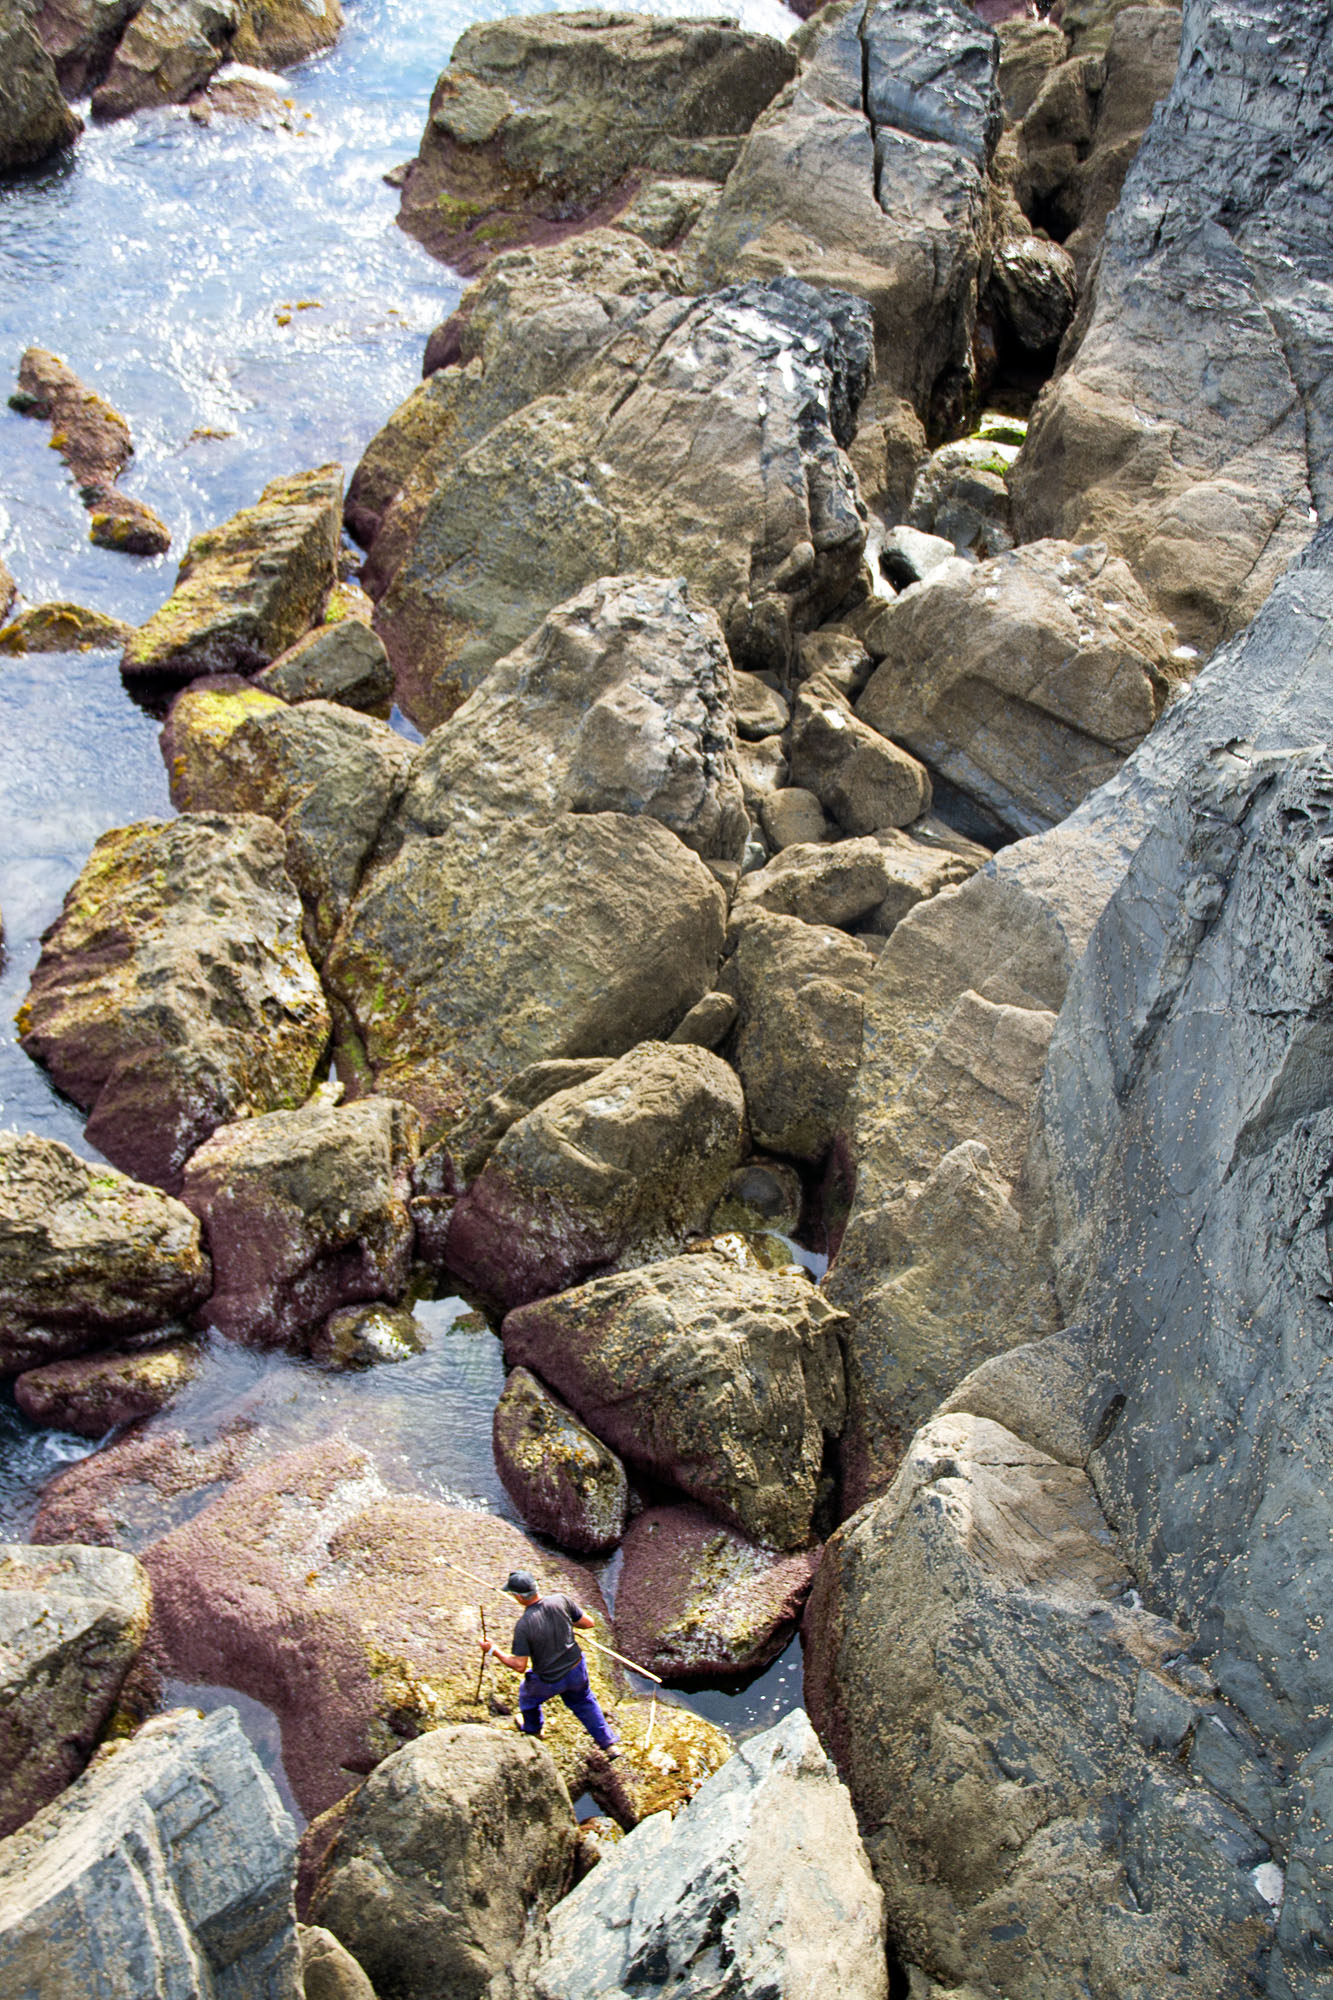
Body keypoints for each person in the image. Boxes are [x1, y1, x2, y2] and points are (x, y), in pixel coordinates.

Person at [481, 1569, 621, 1758]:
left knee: (527, 1696)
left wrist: (493, 1650)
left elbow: (519, 1665)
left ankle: (533, 1729)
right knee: (585, 1701)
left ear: (518, 1597)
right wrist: (569, 1623)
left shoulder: (524, 1625)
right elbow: (588, 1623)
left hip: (548, 1679)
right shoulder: (560, 1600)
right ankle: (609, 1744)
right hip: (576, 1669)